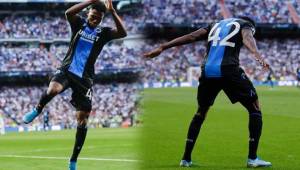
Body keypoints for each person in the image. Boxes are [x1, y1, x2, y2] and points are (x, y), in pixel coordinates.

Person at [144, 17, 272, 168]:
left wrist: (163, 47)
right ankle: (252, 159)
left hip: (207, 71)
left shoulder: (214, 24)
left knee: (201, 112)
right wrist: (257, 55)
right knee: (255, 108)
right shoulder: (245, 24)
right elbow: (247, 38)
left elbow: (191, 36)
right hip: (229, 69)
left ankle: (185, 159)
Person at [22, 0, 127, 169]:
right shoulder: (78, 24)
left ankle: (73, 160)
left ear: (101, 20)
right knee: (53, 89)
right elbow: (68, 13)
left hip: (85, 79)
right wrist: (90, 1)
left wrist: (113, 12)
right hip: (67, 70)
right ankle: (37, 109)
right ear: (88, 13)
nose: (95, 20)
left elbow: (123, 33)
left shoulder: (104, 32)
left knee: (82, 120)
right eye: (93, 16)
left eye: (98, 18)